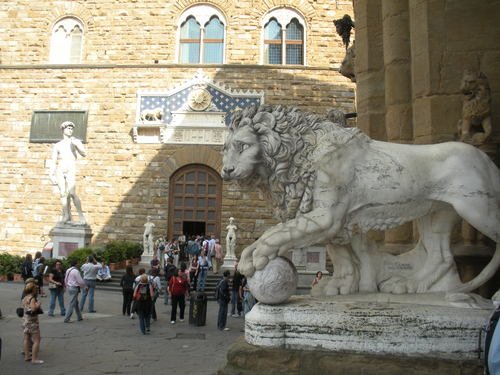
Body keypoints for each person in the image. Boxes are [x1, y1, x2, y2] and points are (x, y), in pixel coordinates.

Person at [49, 121, 87, 224]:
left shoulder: (75, 141)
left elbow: (84, 153)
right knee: (63, 194)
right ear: (63, 130)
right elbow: (53, 160)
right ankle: (66, 215)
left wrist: (77, 145)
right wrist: (51, 174)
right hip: (60, 169)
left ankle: (81, 215)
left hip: (70, 168)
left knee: (73, 193)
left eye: (71, 128)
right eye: (68, 128)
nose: (70, 130)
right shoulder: (58, 145)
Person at [22, 280, 44, 364]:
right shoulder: (32, 298)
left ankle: (27, 356)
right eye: (35, 288)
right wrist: (38, 304)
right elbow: (33, 308)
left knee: (26, 338)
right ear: (33, 289)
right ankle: (34, 359)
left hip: (25, 320)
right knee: (37, 340)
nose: (36, 289)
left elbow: (26, 308)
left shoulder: (25, 297)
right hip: (32, 321)